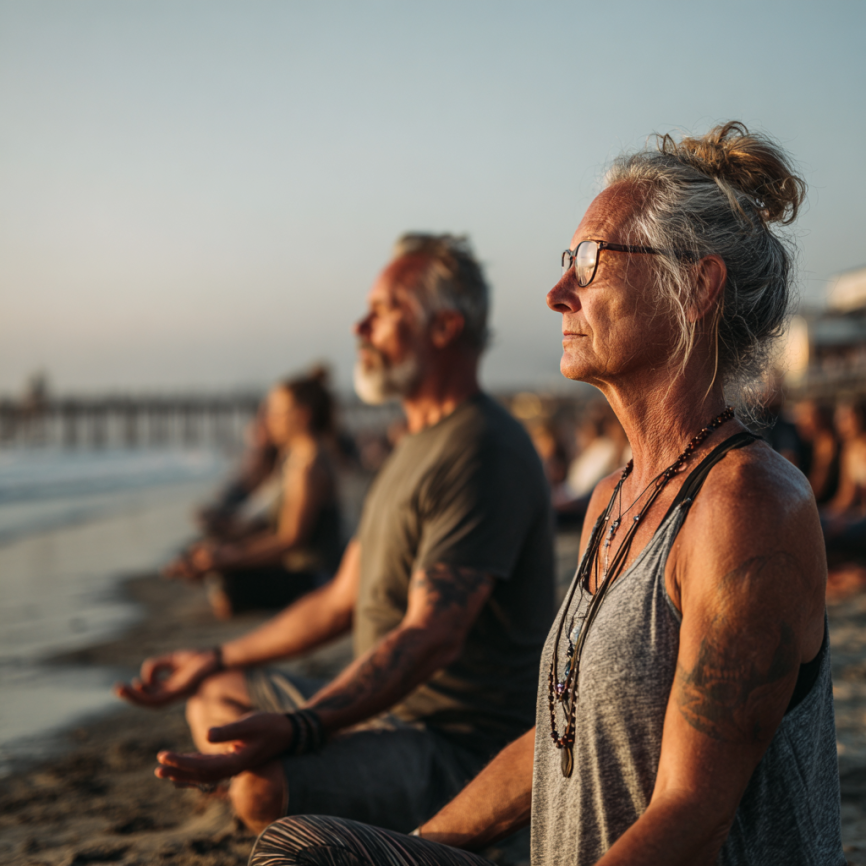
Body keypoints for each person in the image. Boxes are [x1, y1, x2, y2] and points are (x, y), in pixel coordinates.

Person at [249, 123, 843, 866]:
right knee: (308, 846)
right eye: (568, 261)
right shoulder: (614, 500)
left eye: (591, 261)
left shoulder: (747, 507)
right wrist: (416, 848)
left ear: (697, 285)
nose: (559, 291)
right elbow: (562, 735)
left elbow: (693, 818)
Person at [116, 233, 555, 836]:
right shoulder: (410, 447)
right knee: (213, 692)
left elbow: (435, 634)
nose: (360, 327)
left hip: (458, 748)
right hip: (383, 711)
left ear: (445, 326)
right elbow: (340, 596)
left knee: (261, 786)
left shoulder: (482, 449)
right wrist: (214, 655)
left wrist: (306, 726)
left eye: (383, 311)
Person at [163, 370, 343, 617]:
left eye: (277, 413)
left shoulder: (309, 467)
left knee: (228, 577)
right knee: (214, 556)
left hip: (317, 578)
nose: (269, 420)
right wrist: (223, 551)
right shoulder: (294, 459)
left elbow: (290, 540)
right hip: (297, 569)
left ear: (302, 416)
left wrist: (227, 560)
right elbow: (273, 529)